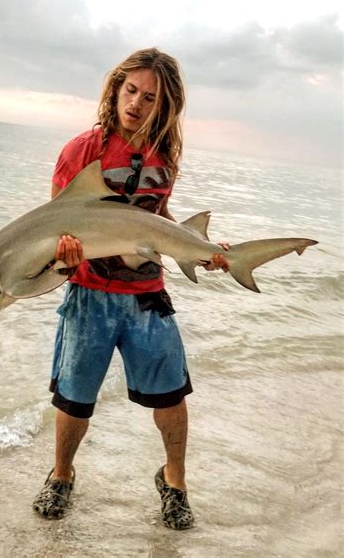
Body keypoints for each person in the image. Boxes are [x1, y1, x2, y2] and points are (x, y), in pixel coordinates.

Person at [32, 48, 228, 530]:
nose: (137, 103)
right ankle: (61, 475)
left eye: (150, 97)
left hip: (146, 295)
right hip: (89, 294)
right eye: (131, 91)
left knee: (170, 397)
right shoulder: (84, 150)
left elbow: (152, 220)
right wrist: (64, 251)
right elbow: (54, 224)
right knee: (74, 398)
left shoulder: (164, 156)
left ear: (166, 105)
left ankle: (174, 481)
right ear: (116, 89)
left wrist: (197, 247)